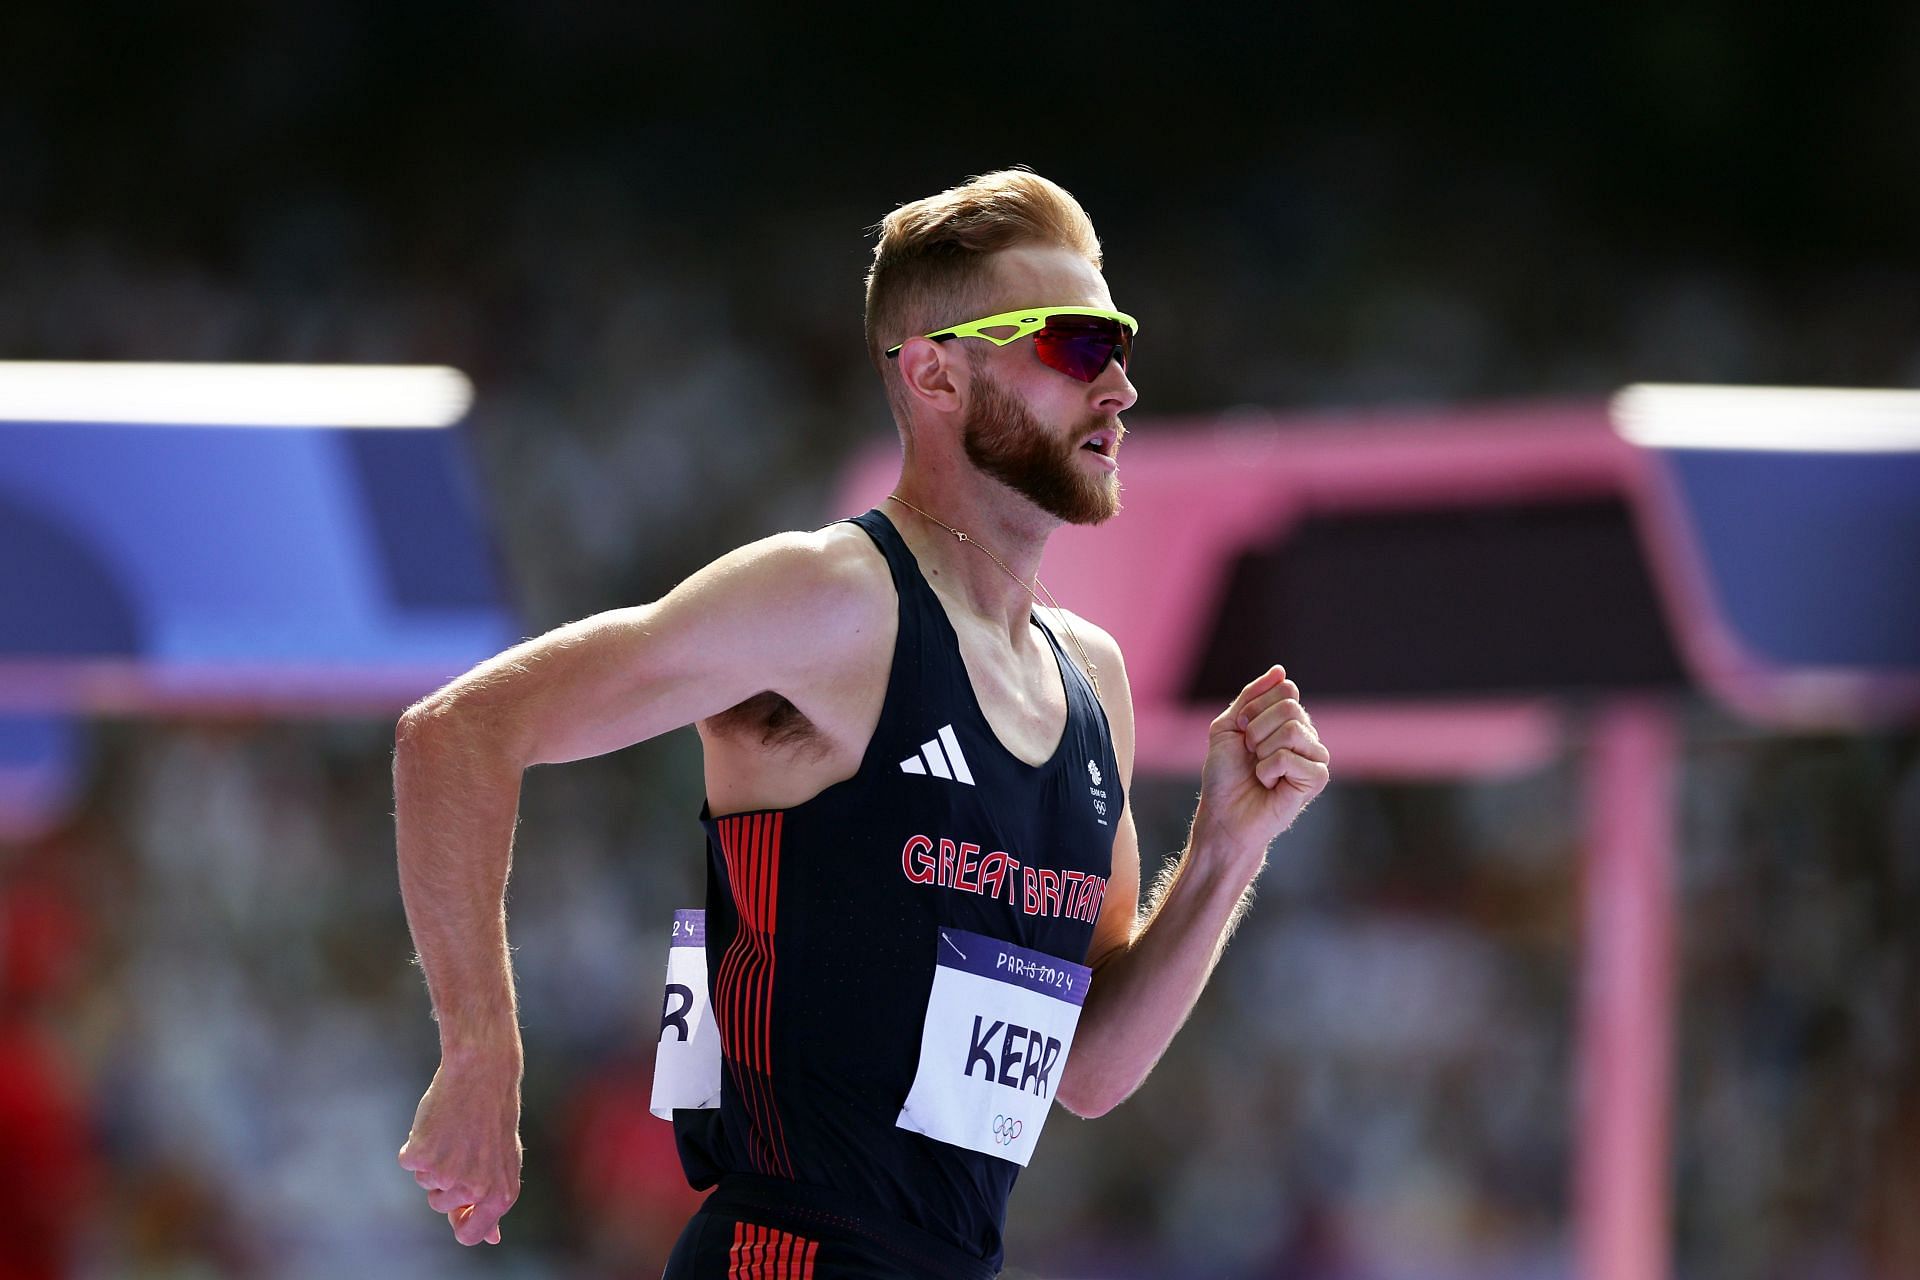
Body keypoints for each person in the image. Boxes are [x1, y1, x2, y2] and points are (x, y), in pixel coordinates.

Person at [394, 168, 1330, 1277]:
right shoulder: (830, 602)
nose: (1119, 384)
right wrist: (480, 1047)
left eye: (1120, 341)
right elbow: (459, 730)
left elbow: (1089, 1068)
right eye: (1076, 345)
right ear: (936, 371)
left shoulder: (1093, 679)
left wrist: (1227, 850)